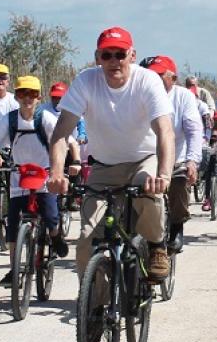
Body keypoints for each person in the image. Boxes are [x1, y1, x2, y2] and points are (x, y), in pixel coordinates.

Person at [47, 27, 174, 282]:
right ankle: (94, 311)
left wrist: (163, 175)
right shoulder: (86, 81)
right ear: (98, 58)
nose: (114, 61)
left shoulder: (147, 81)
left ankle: (156, 245)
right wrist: (56, 173)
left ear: (132, 55)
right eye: (107, 55)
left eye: (120, 54)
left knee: (149, 191)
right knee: (86, 239)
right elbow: (62, 132)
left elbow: (165, 132)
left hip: (143, 159)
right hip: (104, 166)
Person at [0, 76, 78, 288]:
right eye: (22, 93)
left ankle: (55, 237)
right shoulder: (9, 120)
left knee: (49, 213)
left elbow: (67, 141)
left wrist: (74, 164)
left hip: (44, 175)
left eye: (32, 94)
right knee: (13, 223)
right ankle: (14, 267)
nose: (27, 98)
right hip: (19, 175)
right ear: (16, 96)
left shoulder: (45, 118)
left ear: (39, 97)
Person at [141, 55, 203, 251]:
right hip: (146, 157)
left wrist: (192, 161)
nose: (155, 80)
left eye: (160, 75)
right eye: (151, 75)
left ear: (173, 79)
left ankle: (176, 226)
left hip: (177, 156)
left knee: (178, 185)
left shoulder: (183, 97)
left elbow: (193, 131)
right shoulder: (141, 93)